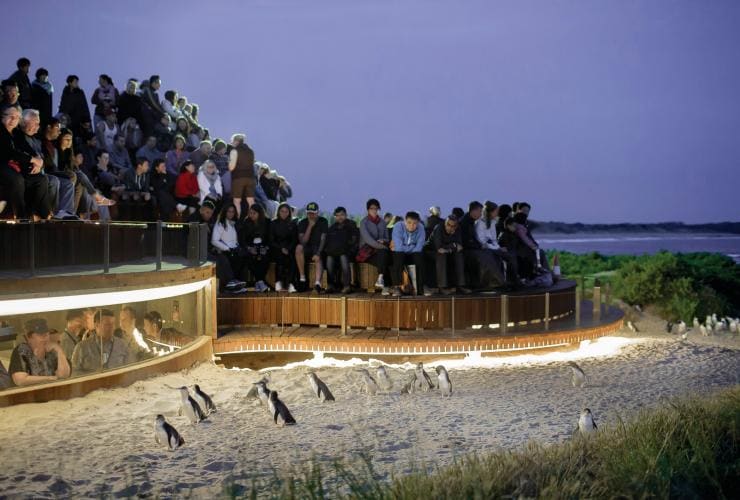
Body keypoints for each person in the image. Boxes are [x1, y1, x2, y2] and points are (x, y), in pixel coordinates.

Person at [0, 106, 49, 220]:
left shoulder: (17, 133)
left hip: (16, 166)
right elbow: (9, 153)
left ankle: (42, 215)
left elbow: (28, 149)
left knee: (41, 179)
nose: (13, 120)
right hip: (2, 164)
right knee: (17, 179)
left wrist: (39, 160)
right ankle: (21, 217)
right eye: (10, 116)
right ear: (2, 117)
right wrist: (33, 160)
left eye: (16, 117)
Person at [8, 318, 70, 386]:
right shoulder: (22, 350)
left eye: (47, 335)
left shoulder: (52, 352)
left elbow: (64, 375)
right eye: (41, 336)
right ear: (29, 338)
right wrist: (49, 379)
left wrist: (59, 351)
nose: (45, 339)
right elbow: (20, 380)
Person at [71, 309, 130, 374]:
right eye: (107, 325)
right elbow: (74, 373)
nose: (112, 328)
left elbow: (130, 368)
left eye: (113, 324)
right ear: (96, 325)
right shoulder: (82, 348)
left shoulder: (122, 345)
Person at [461, 200, 504, 288]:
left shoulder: (471, 221)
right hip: (467, 250)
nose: (481, 214)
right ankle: (495, 282)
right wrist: (480, 246)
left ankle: (496, 282)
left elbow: (473, 239)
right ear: (474, 211)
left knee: (488, 254)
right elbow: (466, 240)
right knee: (486, 256)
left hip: (473, 247)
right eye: (480, 211)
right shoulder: (465, 222)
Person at [476, 201, 519, 288]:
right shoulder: (480, 223)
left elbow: (494, 239)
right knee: (507, 256)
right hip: (484, 248)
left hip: (493, 247)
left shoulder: (492, 223)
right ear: (491, 212)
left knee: (511, 255)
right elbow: (482, 241)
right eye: (496, 211)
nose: (497, 213)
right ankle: (505, 282)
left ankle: (513, 281)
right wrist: (497, 248)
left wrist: (499, 247)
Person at [426, 215, 470, 294]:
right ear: (445, 223)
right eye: (448, 225)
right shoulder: (438, 228)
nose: (450, 227)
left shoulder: (458, 229)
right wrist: (453, 245)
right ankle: (442, 287)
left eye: (453, 226)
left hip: (448, 251)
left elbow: (460, 246)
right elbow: (439, 247)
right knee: (441, 255)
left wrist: (450, 248)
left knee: (459, 255)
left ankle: (461, 285)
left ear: (456, 226)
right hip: (431, 251)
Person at [211, 202, 247, 293]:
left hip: (234, 250)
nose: (231, 214)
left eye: (232, 212)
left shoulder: (233, 224)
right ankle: (231, 287)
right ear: (224, 212)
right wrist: (227, 248)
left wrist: (238, 247)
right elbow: (214, 241)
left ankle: (237, 286)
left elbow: (234, 240)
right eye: (229, 211)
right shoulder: (220, 223)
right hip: (226, 252)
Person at [358, 198, 391, 294]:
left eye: (376, 208)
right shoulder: (364, 222)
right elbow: (368, 240)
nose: (374, 210)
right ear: (368, 210)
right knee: (386, 257)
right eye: (372, 208)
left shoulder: (382, 222)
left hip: (380, 251)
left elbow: (387, 238)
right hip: (367, 251)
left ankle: (381, 279)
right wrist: (383, 246)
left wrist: (383, 241)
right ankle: (386, 286)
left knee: (386, 257)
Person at [390, 211, 427, 296]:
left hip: (414, 254)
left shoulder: (421, 228)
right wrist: (412, 247)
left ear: (418, 223)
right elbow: (398, 247)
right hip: (400, 253)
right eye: (409, 222)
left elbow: (419, 247)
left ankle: (421, 287)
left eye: (414, 223)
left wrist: (409, 247)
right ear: (405, 221)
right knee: (398, 256)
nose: (411, 225)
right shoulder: (398, 226)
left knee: (420, 256)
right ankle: (397, 287)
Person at [324, 206, 359, 294]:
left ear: (346, 215)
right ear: (335, 217)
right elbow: (327, 242)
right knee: (329, 258)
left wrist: (350, 249)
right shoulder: (332, 228)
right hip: (334, 252)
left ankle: (347, 286)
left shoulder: (351, 225)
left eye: (342, 215)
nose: (340, 217)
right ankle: (330, 285)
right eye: (337, 215)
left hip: (348, 251)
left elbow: (354, 240)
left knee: (343, 256)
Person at [296, 201, 328, 293]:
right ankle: (302, 278)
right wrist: (310, 226)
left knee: (318, 258)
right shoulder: (302, 222)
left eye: (313, 213)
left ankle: (317, 284)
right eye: (309, 213)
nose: (311, 215)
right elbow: (303, 241)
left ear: (317, 212)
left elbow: (323, 239)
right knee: (298, 248)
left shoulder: (323, 221)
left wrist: (318, 253)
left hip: (319, 247)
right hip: (307, 247)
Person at [239, 203, 271, 292]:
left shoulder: (267, 222)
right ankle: (261, 282)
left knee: (264, 258)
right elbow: (242, 239)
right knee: (251, 258)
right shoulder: (246, 222)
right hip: (251, 247)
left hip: (264, 247)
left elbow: (270, 238)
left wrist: (266, 248)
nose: (251, 215)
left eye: (254, 213)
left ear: (259, 214)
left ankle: (258, 282)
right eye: (250, 213)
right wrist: (249, 248)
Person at [269, 202, 298, 293]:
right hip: (276, 248)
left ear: (289, 212)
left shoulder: (293, 224)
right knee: (280, 258)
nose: (284, 213)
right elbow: (271, 240)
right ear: (278, 212)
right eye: (282, 211)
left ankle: (291, 284)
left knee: (292, 259)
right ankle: (278, 283)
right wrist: (281, 248)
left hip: (289, 248)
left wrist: (288, 249)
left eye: (286, 211)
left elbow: (294, 239)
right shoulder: (273, 223)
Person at [228, 133, 256, 219]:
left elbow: (231, 167)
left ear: (236, 141)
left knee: (237, 201)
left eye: (232, 141)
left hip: (238, 178)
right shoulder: (251, 151)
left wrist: (228, 165)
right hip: (251, 178)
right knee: (251, 200)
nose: (232, 143)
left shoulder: (234, 151)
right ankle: (253, 217)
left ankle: (238, 219)